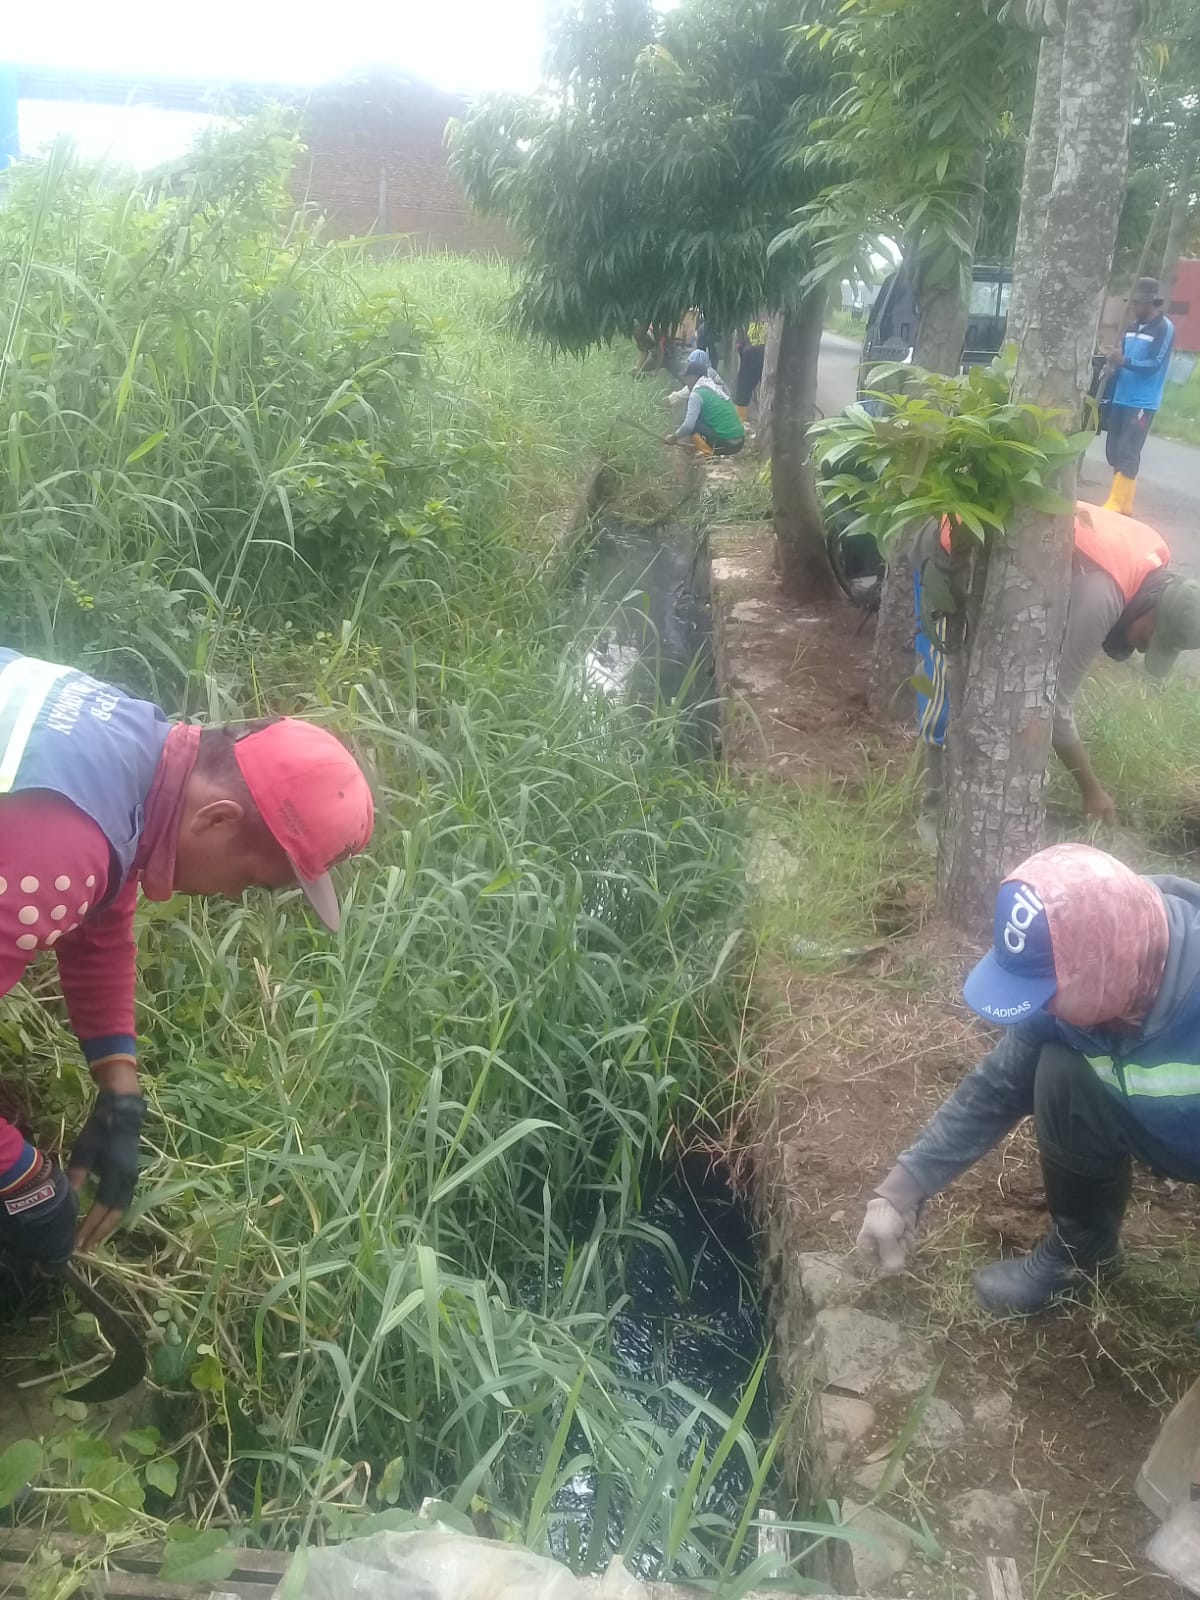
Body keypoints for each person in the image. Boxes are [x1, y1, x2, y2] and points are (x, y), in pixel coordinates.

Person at [0, 648, 374, 1269]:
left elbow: (103, 916)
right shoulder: (59, 852)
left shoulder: (123, 742)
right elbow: (81, 864)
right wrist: (19, 1177)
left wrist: (120, 1087)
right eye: (250, 882)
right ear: (218, 819)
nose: (231, 897)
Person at [856, 843, 1200, 1315]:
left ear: (1102, 966)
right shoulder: (1106, 964)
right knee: (1060, 1069)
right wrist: (899, 1194)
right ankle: (1084, 1254)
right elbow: (996, 1087)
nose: (1040, 1008)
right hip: (1157, 1125)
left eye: (1047, 991)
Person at [916, 501, 1200, 841]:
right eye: (1148, 638)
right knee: (946, 683)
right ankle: (932, 815)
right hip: (956, 545)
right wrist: (1091, 789)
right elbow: (1054, 708)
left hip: (1004, 570)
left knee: (993, 682)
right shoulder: (1103, 595)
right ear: (1152, 607)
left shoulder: (1153, 561)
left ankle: (970, 795)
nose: (1140, 649)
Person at [1102, 276, 1175, 516]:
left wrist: (1124, 361)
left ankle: (1115, 501)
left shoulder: (1164, 328)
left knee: (1128, 450)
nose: (1134, 308)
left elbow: (1154, 363)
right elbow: (1120, 357)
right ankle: (1126, 503)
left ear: (1151, 303)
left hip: (1142, 401)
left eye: (1138, 303)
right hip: (1121, 397)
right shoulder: (1131, 328)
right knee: (1114, 449)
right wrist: (1113, 364)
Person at [667, 349, 746, 459]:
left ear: (694, 377)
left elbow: (689, 425)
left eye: (687, 377)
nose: (686, 381)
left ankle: (707, 454)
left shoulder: (697, 394)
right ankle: (697, 447)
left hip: (729, 444)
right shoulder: (712, 388)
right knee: (700, 416)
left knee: (693, 422)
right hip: (739, 443)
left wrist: (674, 437)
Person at [734, 321, 767, 423]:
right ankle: (764, 417)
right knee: (766, 387)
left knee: (743, 388)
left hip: (750, 355)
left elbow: (739, 345)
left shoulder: (746, 315)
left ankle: (741, 420)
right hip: (767, 356)